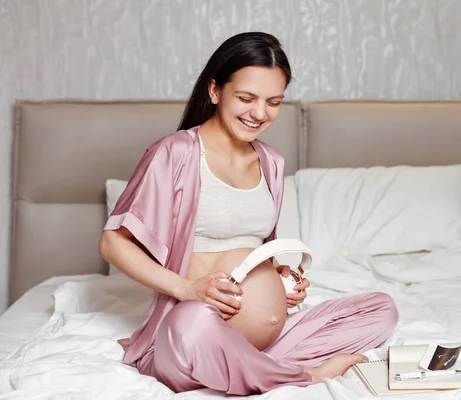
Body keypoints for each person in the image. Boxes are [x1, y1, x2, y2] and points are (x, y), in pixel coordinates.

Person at [99, 31, 398, 395]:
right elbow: (113, 243)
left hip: (269, 339)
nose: (259, 114)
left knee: (381, 309)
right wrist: (186, 288)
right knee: (191, 325)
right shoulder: (175, 153)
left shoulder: (271, 161)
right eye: (246, 98)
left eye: (274, 102)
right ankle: (306, 376)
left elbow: (251, 247)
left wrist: (279, 280)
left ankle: (251, 365)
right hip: (197, 330)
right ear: (214, 91)